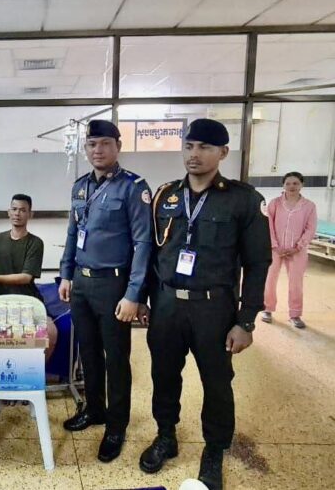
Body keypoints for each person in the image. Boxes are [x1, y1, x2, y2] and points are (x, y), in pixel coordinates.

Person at [139, 119, 271, 490]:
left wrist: (246, 321)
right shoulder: (166, 195)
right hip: (167, 304)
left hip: (214, 309)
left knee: (217, 382)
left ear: (223, 152)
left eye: (204, 147)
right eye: (189, 145)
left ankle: (214, 449)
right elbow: (151, 253)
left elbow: (258, 263)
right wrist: (145, 299)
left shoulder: (243, 200)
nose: (194, 154)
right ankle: (166, 435)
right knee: (164, 374)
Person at [58, 119, 153, 463]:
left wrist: (134, 294)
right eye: (91, 144)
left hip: (114, 285)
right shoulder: (80, 186)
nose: (97, 150)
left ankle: (116, 426)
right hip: (81, 283)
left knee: (116, 358)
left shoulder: (133, 187)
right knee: (88, 352)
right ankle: (95, 409)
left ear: (118, 146)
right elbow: (73, 233)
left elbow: (143, 243)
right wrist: (66, 274)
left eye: (104, 144)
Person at [0, 194, 58, 360]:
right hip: (1, 301)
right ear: (8, 212)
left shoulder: (35, 243)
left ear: (30, 214)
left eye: (22, 210)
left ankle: (37, 371)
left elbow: (26, 277)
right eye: (14, 209)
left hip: (29, 301)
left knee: (51, 332)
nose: (17, 213)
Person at [261, 172, 317, 329]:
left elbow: (311, 228)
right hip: (275, 249)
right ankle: (267, 309)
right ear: (283, 185)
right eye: (288, 183)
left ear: (302, 185)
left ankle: (295, 314)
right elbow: (268, 225)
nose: (292, 186)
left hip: (297, 251)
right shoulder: (275, 203)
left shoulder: (309, 206)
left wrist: (299, 246)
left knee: (296, 283)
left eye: (296, 183)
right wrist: (274, 245)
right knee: (270, 279)